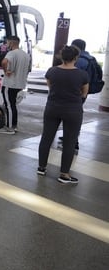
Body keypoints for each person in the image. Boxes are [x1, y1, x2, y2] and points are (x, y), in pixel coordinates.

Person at [37, 45, 88, 184]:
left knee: (46, 137)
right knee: (69, 141)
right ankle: (64, 174)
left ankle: (41, 168)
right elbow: (84, 93)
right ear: (76, 58)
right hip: (73, 110)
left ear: (61, 56)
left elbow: (50, 87)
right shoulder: (82, 74)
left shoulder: (52, 71)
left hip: (52, 107)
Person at [0, 36, 31, 134]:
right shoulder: (25, 55)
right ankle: (14, 126)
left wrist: (5, 70)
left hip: (10, 83)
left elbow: (4, 62)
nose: (6, 44)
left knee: (8, 105)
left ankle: (9, 128)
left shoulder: (11, 53)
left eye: (7, 42)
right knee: (13, 105)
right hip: (20, 84)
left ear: (11, 43)